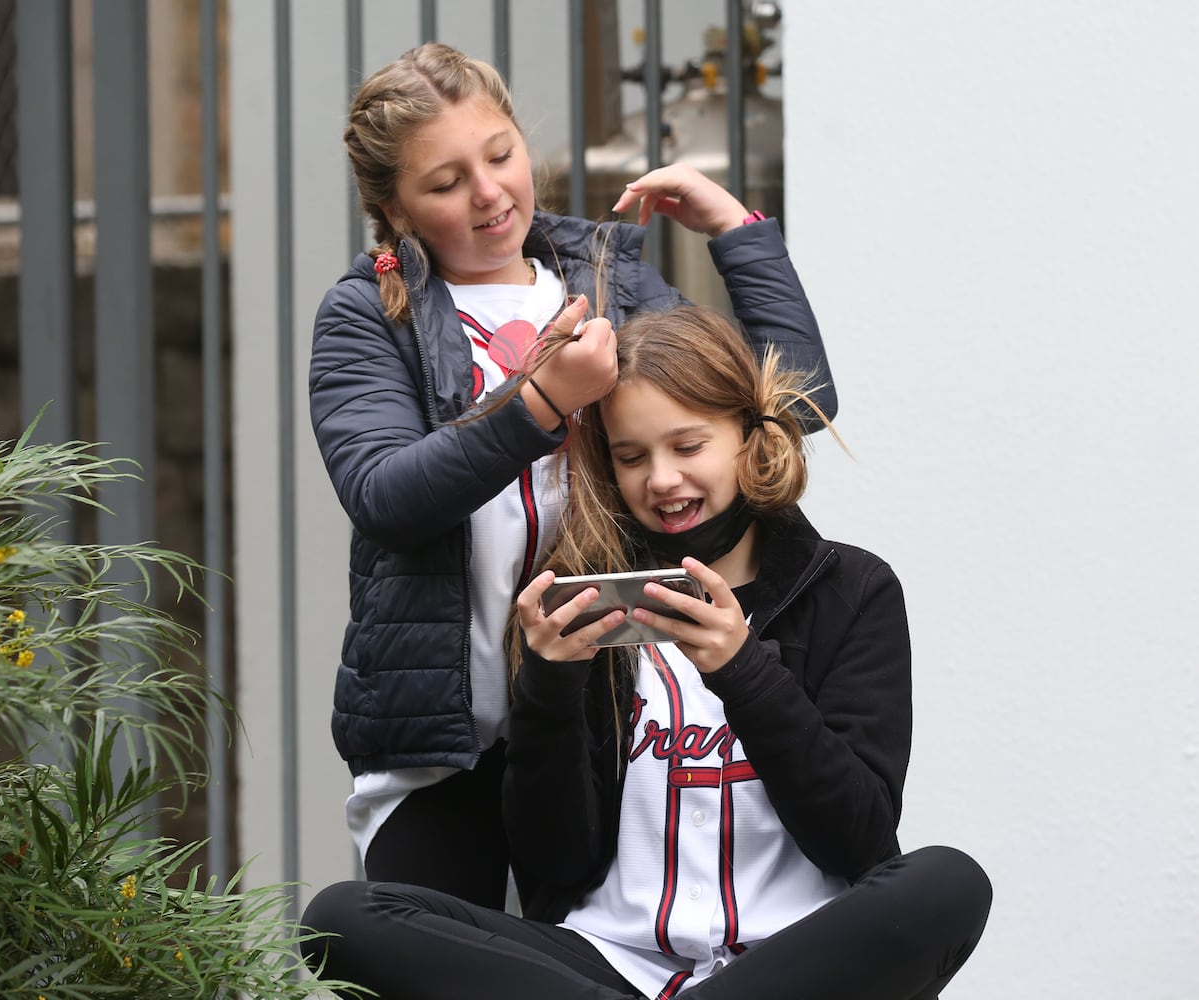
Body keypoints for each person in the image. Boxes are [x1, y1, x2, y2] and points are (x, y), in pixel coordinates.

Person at [300, 305, 992, 999]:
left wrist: (743, 670)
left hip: (791, 962)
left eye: (687, 447)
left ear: (750, 439)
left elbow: (858, 841)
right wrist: (548, 685)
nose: (661, 481)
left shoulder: (850, 589)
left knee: (948, 880)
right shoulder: (576, 604)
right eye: (631, 457)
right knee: (341, 918)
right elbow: (554, 861)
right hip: (606, 964)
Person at [309, 41, 836, 908]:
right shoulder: (368, 314)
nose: (487, 193)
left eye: (500, 155)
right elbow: (386, 498)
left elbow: (791, 402)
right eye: (443, 183)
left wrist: (733, 231)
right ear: (391, 206)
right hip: (445, 746)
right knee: (414, 955)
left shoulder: (605, 280)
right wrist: (543, 401)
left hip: (606, 729)